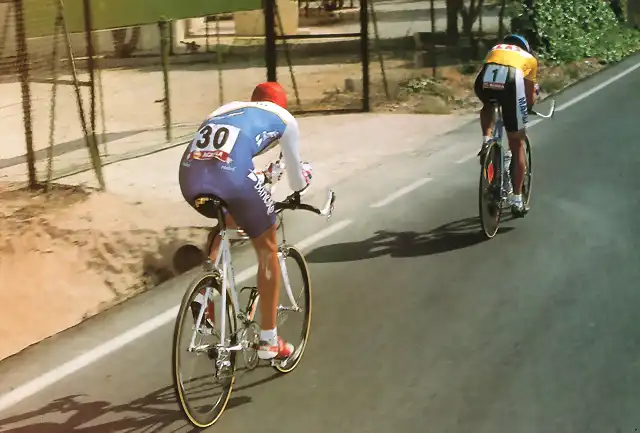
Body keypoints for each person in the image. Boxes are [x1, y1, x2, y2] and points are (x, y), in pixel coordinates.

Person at [178, 81, 313, 360]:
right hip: (232, 178)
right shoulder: (284, 119)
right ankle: (269, 341)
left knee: (226, 216)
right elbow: (297, 181)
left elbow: (222, 156)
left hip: (189, 177)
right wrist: (304, 176)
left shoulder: (226, 110)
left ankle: (206, 289)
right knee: (268, 251)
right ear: (280, 105)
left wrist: (259, 178)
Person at [473, 34, 539, 217]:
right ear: (526, 47)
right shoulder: (530, 59)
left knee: (487, 104)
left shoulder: (495, 49)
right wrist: (528, 107)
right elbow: (527, 94)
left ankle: (487, 140)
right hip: (511, 83)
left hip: (484, 82)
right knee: (516, 142)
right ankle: (517, 200)